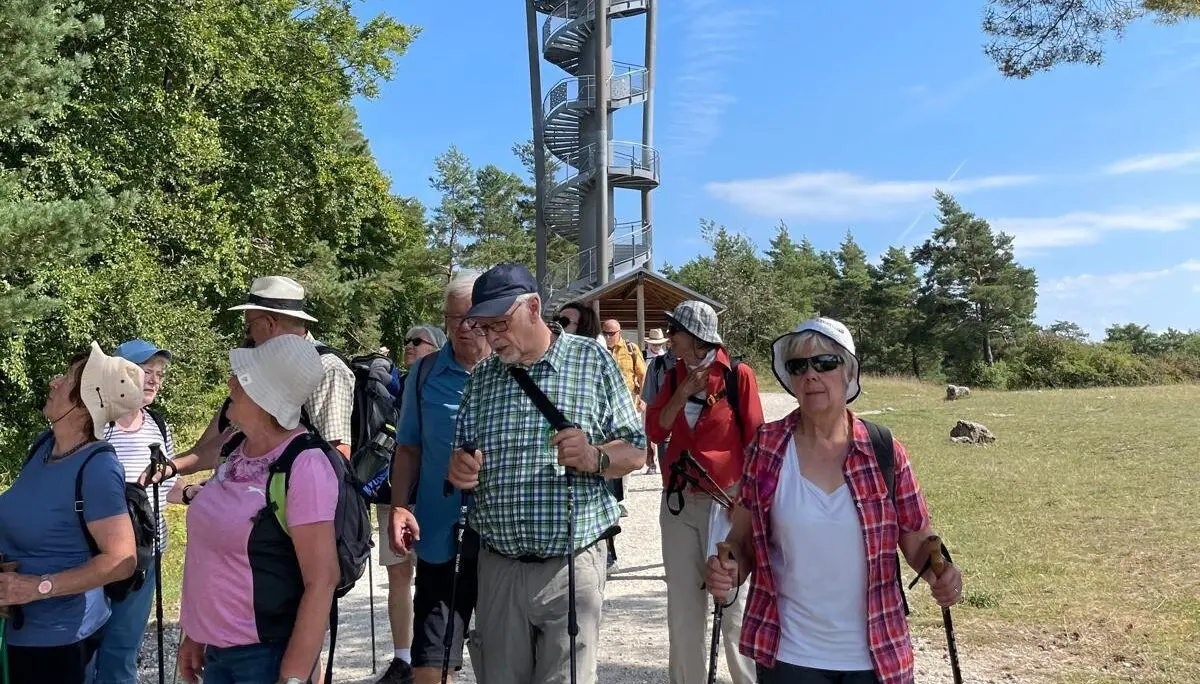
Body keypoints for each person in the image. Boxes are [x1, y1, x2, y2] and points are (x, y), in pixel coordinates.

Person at [704, 317, 964, 684]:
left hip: (875, 655)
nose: (811, 375)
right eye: (798, 366)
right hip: (789, 656)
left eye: (825, 362)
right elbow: (742, 542)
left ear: (849, 372)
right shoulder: (766, 448)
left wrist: (943, 574)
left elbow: (919, 542)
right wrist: (728, 569)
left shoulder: (884, 451)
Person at [444, 263, 647, 684]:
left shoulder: (592, 360)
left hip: (570, 565)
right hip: (497, 567)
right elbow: (460, 454)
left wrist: (594, 457)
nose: (492, 337)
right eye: (484, 327)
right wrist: (460, 468)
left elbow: (637, 450)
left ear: (534, 307)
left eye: (500, 323)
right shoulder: (482, 378)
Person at [176, 334, 340, 684]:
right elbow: (216, 554)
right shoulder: (236, 447)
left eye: (243, 378)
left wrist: (294, 675)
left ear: (265, 397)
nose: (231, 382)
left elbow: (323, 578)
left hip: (267, 658)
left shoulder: (305, 464)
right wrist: (196, 633)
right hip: (218, 654)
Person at [0, 342, 143, 684]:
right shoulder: (43, 446)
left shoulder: (98, 468)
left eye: (66, 379)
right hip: (17, 634)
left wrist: (37, 587)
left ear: (83, 404)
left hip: (56, 645)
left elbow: (122, 560)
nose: (54, 382)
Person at [645, 300, 763, 684]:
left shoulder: (737, 375)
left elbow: (758, 440)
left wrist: (746, 497)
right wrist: (682, 394)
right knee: (683, 611)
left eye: (675, 330)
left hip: (725, 503)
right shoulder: (669, 373)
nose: (669, 337)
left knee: (732, 607)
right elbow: (655, 431)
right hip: (679, 502)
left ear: (696, 338)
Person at [144, 275, 356, 481]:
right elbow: (229, 439)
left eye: (249, 326)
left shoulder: (327, 369)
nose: (248, 335)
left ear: (269, 324)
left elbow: (335, 458)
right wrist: (172, 466)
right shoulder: (264, 366)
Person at [386, 271, 491, 684]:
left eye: (470, 318)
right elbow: (408, 447)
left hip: (503, 538)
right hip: (439, 534)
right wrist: (398, 507)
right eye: (452, 318)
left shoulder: (512, 372)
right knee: (431, 662)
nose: (461, 328)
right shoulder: (424, 373)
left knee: (504, 658)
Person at [87, 340, 178, 684]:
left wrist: (195, 493)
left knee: (122, 650)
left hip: (145, 558)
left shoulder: (158, 425)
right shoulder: (96, 427)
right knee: (86, 646)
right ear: (120, 376)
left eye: (159, 374)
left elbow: (170, 485)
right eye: (145, 372)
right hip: (97, 554)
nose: (154, 380)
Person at [374, 321, 447, 683]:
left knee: (437, 578)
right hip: (393, 494)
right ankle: (403, 657)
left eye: (418, 341)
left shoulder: (445, 383)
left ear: (437, 347)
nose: (409, 345)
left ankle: (436, 659)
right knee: (398, 575)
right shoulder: (395, 384)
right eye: (406, 340)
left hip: (433, 498)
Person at [599, 318, 646, 566]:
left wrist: (643, 399)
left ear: (619, 332)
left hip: (627, 406)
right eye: (605, 333)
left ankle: (621, 498)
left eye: (612, 333)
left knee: (627, 453)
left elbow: (642, 374)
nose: (608, 337)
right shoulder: (596, 351)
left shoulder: (630, 349)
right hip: (605, 414)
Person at [639, 328, 673, 475]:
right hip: (647, 395)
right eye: (655, 344)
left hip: (660, 399)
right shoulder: (643, 356)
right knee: (649, 432)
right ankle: (651, 462)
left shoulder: (666, 358)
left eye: (659, 344)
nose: (657, 346)